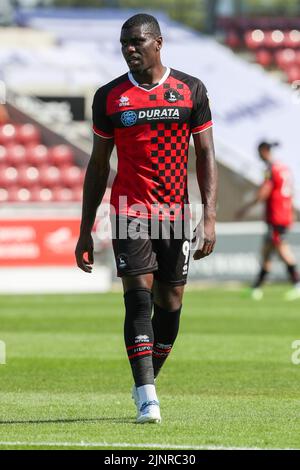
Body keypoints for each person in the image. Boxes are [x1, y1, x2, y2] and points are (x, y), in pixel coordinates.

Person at [75, 13, 217, 424]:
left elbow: (205, 155)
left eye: (136, 42)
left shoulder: (191, 90)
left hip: (175, 213)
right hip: (129, 213)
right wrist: (85, 230)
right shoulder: (109, 97)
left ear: (158, 42)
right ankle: (147, 397)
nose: (129, 49)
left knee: (170, 304)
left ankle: (145, 380)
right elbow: (98, 166)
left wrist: (209, 216)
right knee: (138, 301)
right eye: (123, 43)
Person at [236, 141, 300, 301]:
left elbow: (264, 191)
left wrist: (246, 208)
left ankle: (297, 284)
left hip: (276, 215)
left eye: (258, 152)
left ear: (264, 151)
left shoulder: (270, 169)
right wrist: (291, 211)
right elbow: (290, 191)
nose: (257, 156)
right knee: (267, 251)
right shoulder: (283, 168)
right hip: (283, 214)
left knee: (281, 249)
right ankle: (256, 288)